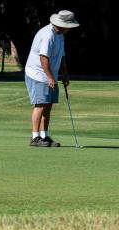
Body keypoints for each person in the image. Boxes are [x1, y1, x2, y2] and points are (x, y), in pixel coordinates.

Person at [24, 10, 79, 147]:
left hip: (50, 74)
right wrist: (50, 77)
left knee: (48, 105)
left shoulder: (60, 35)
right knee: (40, 104)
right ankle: (34, 137)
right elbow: (43, 58)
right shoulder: (48, 35)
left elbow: (62, 56)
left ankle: (44, 135)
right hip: (37, 73)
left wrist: (64, 73)